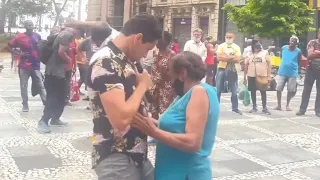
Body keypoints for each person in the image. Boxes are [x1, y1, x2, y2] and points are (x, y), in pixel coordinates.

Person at [87, 14, 162, 179]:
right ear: (138, 38)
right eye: (147, 49)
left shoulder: (125, 60)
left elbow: (131, 103)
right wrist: (142, 85)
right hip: (116, 155)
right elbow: (120, 120)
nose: (145, 55)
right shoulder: (106, 61)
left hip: (134, 153)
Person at [132, 51, 220, 180]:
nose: (170, 79)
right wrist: (150, 121)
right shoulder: (187, 94)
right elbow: (178, 125)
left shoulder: (199, 92)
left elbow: (193, 142)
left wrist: (153, 131)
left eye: (171, 74)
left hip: (185, 173)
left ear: (182, 73)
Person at [38, 28, 78, 133]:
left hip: (64, 72)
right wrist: (69, 60)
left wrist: (72, 66)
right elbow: (61, 52)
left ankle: (55, 118)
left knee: (63, 96)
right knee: (53, 97)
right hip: (55, 73)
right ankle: (43, 121)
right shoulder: (66, 35)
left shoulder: (70, 37)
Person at [8, 20, 46, 112]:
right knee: (24, 86)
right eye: (28, 25)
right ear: (25, 26)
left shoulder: (37, 36)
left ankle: (46, 102)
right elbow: (9, 46)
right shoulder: (19, 37)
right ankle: (25, 105)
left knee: (40, 85)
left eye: (31, 24)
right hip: (24, 65)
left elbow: (41, 47)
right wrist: (19, 53)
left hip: (36, 65)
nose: (30, 26)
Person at [78, 23, 112, 103]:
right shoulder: (88, 40)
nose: (96, 44)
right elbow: (79, 48)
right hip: (92, 63)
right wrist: (83, 58)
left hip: (102, 66)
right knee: (88, 81)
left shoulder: (110, 44)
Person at [150, 31, 176, 119]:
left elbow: (173, 73)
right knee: (154, 113)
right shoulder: (156, 54)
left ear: (168, 42)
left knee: (166, 113)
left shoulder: (172, 55)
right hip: (155, 88)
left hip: (167, 88)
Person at [216, 32, 242, 115]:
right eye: (227, 37)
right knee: (218, 89)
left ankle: (235, 108)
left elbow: (238, 59)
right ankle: (216, 107)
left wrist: (225, 57)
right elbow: (219, 58)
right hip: (221, 68)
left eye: (230, 37)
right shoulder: (221, 46)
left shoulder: (236, 47)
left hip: (232, 69)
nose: (228, 38)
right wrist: (232, 57)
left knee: (234, 90)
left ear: (233, 38)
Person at [244, 39, 272, 115]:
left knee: (263, 91)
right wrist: (244, 77)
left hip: (262, 75)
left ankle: (264, 107)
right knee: (253, 92)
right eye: (256, 44)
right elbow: (246, 66)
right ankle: (254, 107)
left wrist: (269, 76)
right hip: (251, 75)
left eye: (259, 44)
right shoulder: (249, 54)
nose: (258, 46)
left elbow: (269, 65)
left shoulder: (265, 53)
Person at [274, 36, 302, 111]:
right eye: (292, 41)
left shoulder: (298, 51)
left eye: (295, 42)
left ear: (297, 43)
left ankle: (287, 105)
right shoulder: (284, 48)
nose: (293, 42)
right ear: (289, 41)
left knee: (290, 90)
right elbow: (281, 57)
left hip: (292, 73)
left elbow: (299, 62)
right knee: (278, 88)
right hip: (282, 71)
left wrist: (299, 72)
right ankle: (279, 105)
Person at [296, 32, 320, 117]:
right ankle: (302, 109)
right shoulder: (312, 42)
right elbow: (310, 54)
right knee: (306, 90)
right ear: (318, 34)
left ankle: (318, 110)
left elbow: (313, 53)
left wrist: (316, 52)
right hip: (311, 69)